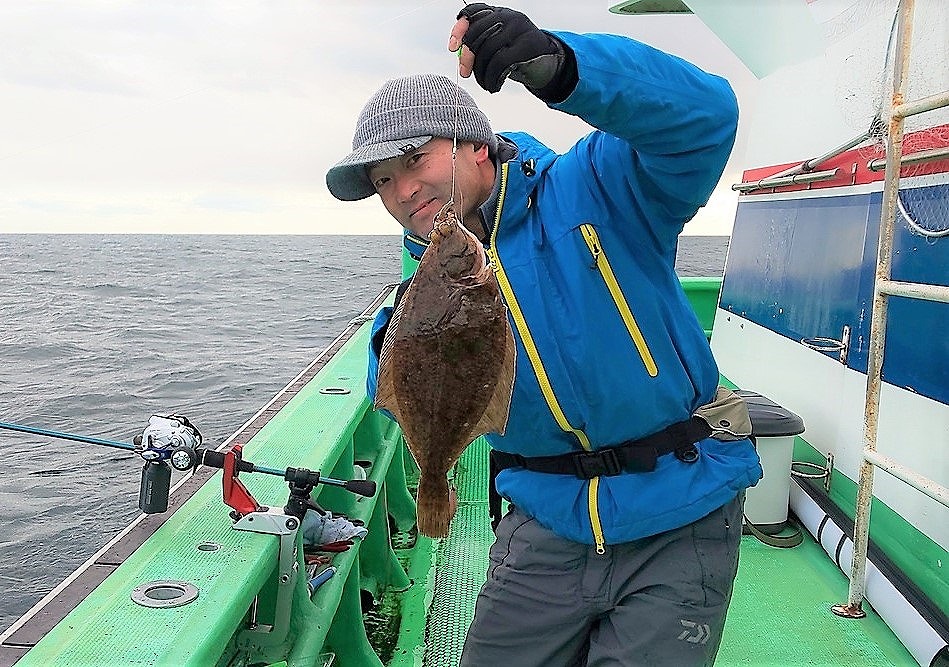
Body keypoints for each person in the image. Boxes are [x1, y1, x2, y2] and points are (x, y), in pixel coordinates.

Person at [326, 4, 763, 665]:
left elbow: (705, 117)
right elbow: (394, 383)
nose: (403, 190)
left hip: (678, 506)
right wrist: (403, 341)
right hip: (543, 519)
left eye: (414, 159)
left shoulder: (597, 185)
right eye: (382, 181)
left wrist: (566, 68)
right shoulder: (421, 287)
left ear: (476, 143)